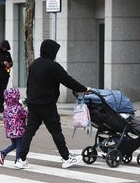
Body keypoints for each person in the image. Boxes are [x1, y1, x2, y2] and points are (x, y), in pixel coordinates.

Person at [14, 39, 91, 169]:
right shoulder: (53, 66)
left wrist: (29, 100)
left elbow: (29, 84)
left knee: (29, 132)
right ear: (51, 51)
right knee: (56, 131)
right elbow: (68, 81)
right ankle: (66, 158)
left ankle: (20, 159)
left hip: (33, 104)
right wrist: (84, 89)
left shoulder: (34, 64)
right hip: (47, 105)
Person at [0, 87, 28, 166]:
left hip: (10, 131)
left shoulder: (6, 108)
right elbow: (26, 115)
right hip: (19, 130)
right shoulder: (18, 108)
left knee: (14, 144)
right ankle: (17, 160)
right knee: (20, 145)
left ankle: (3, 153)